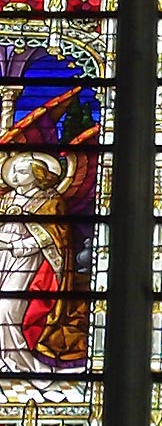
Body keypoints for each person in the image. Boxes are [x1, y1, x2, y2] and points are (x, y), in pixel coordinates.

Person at [0, 152, 88, 401]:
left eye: (22, 171)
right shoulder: (6, 199)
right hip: (3, 258)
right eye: (14, 171)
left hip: (32, 263)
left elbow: (55, 235)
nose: (15, 176)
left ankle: (21, 362)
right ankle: (4, 361)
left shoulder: (51, 201)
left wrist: (22, 245)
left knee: (6, 308)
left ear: (38, 175)